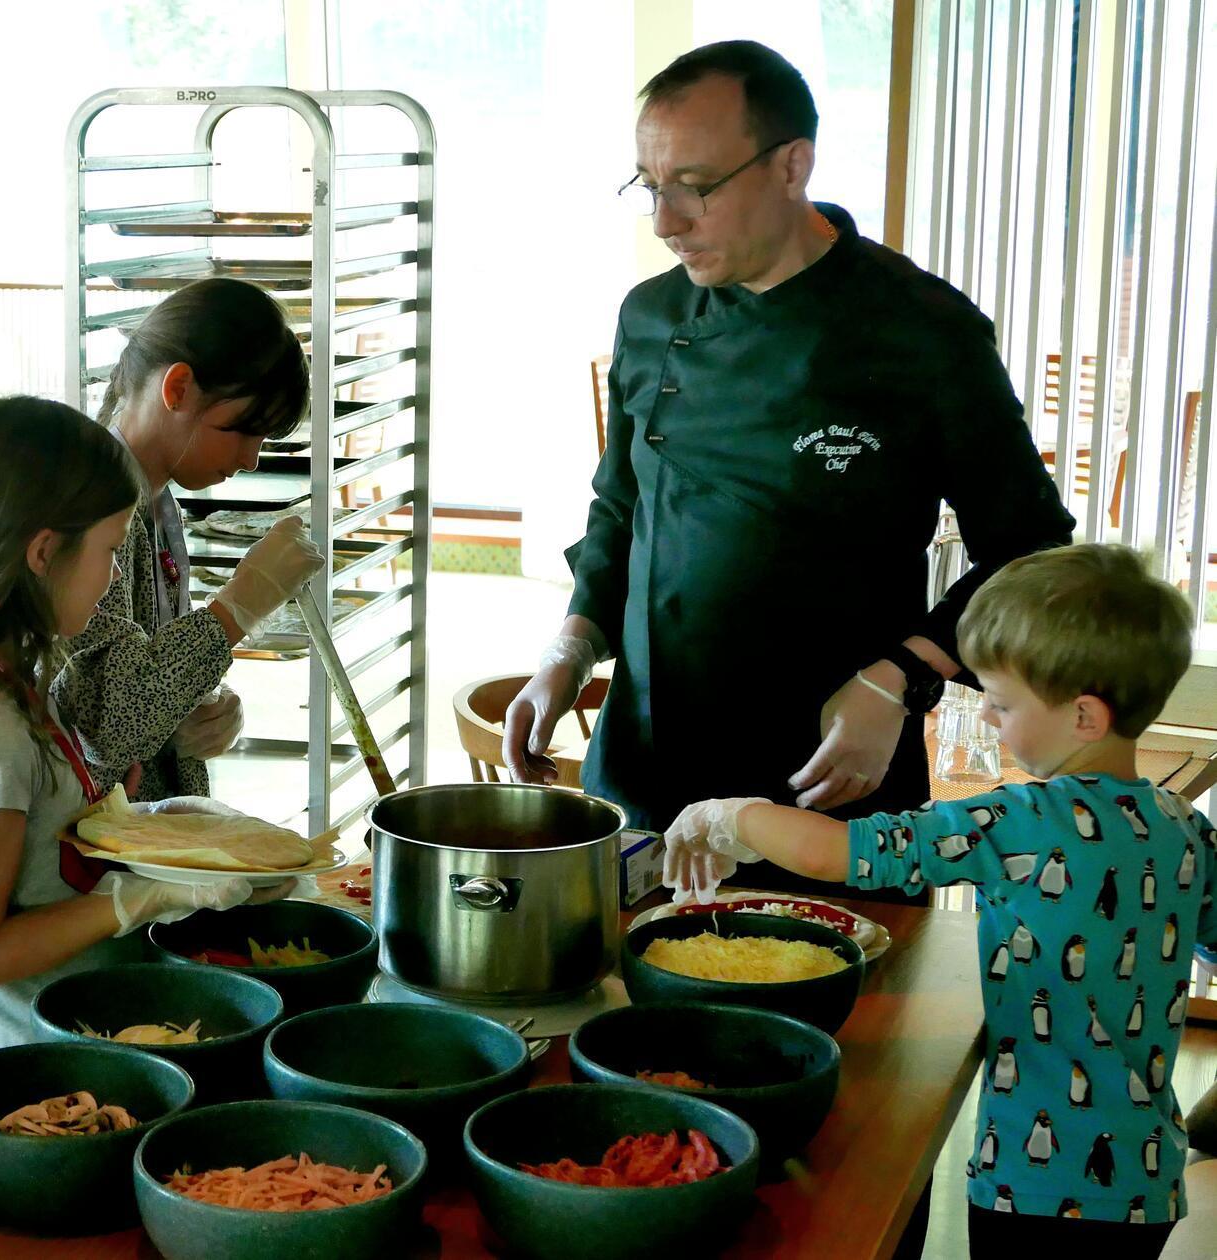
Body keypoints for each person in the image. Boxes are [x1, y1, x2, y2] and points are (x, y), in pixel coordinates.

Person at [502, 41, 1074, 896]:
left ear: (791, 165)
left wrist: (899, 682)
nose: (666, 220)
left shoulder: (920, 331)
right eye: (650, 186)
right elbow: (619, 505)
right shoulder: (652, 314)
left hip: (825, 796)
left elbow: (1031, 551)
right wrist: (572, 644)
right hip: (644, 779)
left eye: (694, 185)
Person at [662, 543, 1216, 1255]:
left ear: (1084, 717)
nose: (988, 719)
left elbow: (835, 851)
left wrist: (724, 813)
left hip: (1036, 1180)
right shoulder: (1186, 829)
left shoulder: (1019, 821)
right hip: (1149, 1174)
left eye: (1004, 702)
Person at [0, 398, 288, 1056]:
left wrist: (158, 825)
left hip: (97, 1031)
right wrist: (135, 900)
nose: (110, 581)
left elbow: (49, 844)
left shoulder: (35, 675)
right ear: (45, 553)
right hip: (36, 1062)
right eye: (108, 551)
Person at [53, 277, 325, 802]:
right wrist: (238, 608)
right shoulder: (89, 507)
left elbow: (146, 675)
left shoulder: (157, 503)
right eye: (243, 431)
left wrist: (205, 706)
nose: (250, 459)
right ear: (177, 388)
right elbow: (109, 722)